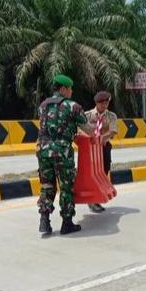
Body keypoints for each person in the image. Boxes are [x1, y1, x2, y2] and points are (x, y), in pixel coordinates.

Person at [37, 74, 94, 236]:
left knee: (47, 185)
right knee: (66, 187)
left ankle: (44, 220)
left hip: (43, 150)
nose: (71, 92)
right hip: (62, 151)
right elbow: (87, 128)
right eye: (70, 89)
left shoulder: (42, 105)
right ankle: (67, 223)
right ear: (63, 89)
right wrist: (96, 131)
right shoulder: (73, 106)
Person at [85, 91, 118, 213]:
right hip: (90, 148)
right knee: (91, 174)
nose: (105, 105)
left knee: (103, 172)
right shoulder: (87, 116)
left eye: (107, 103)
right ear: (97, 103)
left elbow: (113, 131)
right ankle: (92, 200)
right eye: (102, 103)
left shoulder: (111, 116)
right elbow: (80, 130)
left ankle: (97, 198)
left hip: (104, 147)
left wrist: (102, 138)